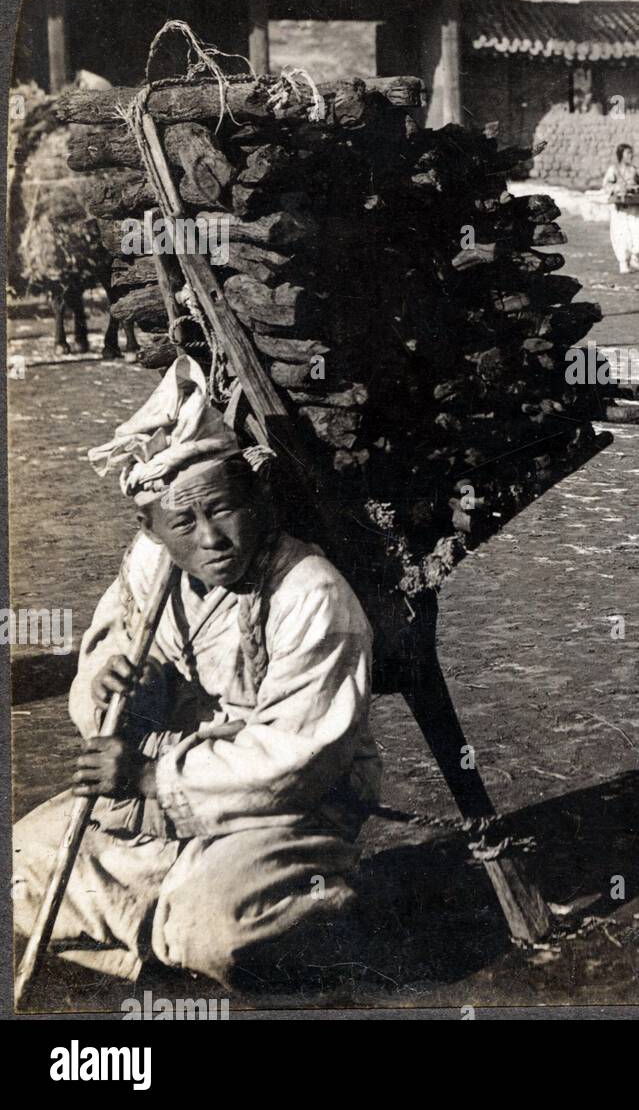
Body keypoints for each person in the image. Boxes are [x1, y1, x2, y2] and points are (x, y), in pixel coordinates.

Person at [12, 356, 380, 989]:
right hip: (158, 801)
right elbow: (109, 651)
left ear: (257, 500)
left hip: (280, 808)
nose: (211, 538)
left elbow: (298, 757)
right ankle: (164, 934)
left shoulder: (311, 592)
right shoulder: (150, 569)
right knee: (17, 866)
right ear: (151, 529)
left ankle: (199, 923)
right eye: (184, 521)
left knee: (221, 925)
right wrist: (111, 690)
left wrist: (152, 775)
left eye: (223, 510)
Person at [603, 142, 639, 274]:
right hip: (620, 207)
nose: (631, 155)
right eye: (628, 153)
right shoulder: (613, 169)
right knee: (621, 234)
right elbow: (606, 185)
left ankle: (635, 258)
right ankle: (623, 263)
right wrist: (617, 188)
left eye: (631, 153)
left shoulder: (634, 170)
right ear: (622, 155)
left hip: (634, 205)